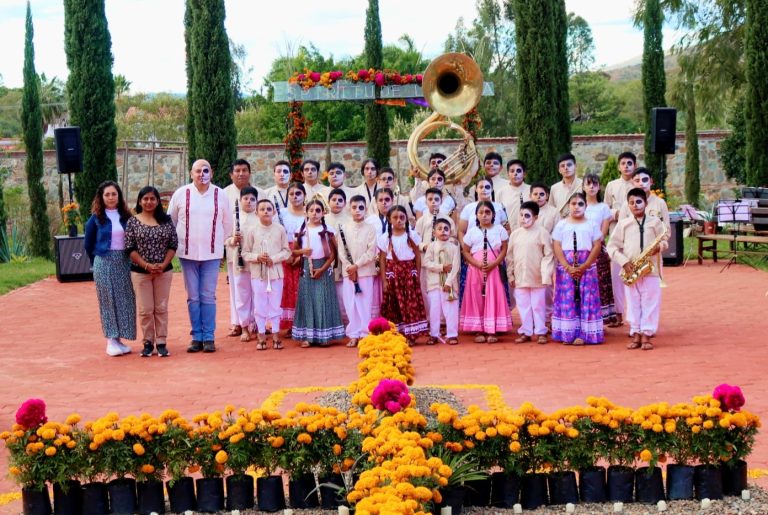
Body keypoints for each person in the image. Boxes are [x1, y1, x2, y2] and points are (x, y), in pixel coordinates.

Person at [167, 159, 233, 353]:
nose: (202, 174)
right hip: (187, 254)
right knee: (193, 296)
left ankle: (209, 336)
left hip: (211, 254)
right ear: (191, 173)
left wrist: (222, 246)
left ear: (211, 173)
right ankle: (196, 336)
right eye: (198, 171)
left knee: (208, 296)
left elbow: (227, 223)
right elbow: (171, 220)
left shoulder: (220, 194)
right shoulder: (181, 194)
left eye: (205, 171)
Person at [607, 188, 668, 351]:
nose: (635, 205)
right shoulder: (623, 224)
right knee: (633, 302)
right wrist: (624, 262)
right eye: (632, 202)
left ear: (646, 203)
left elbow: (664, 241)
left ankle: (647, 334)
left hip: (651, 269)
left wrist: (660, 247)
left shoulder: (655, 222)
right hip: (630, 269)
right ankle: (635, 333)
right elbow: (611, 246)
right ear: (628, 205)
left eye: (639, 202)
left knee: (650, 302)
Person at [84, 180, 136, 357]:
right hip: (104, 261)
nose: (111, 197)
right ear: (101, 197)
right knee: (108, 300)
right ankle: (110, 341)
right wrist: (97, 260)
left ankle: (119, 339)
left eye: (114, 194)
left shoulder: (127, 217)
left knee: (124, 299)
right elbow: (88, 244)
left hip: (124, 261)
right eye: (107, 194)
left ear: (119, 196)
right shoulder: (95, 219)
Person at [124, 186, 178, 357]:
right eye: (145, 199)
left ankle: (161, 342)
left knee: (161, 308)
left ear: (157, 201)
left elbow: (173, 244)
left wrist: (162, 264)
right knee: (145, 309)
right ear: (140, 201)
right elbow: (129, 248)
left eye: (152, 199)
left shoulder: (166, 220)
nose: (149, 202)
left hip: (163, 271)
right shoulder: (133, 221)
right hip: (140, 272)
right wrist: (146, 265)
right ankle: (148, 342)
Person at [551, 192, 604, 345]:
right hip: (567, 267)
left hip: (586, 266)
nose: (576, 207)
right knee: (568, 299)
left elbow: (596, 246)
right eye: (573, 204)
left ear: (585, 206)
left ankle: (584, 334)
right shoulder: (562, 224)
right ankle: (567, 333)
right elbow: (557, 245)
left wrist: (585, 265)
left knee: (585, 298)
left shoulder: (592, 224)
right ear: (568, 206)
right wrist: (567, 266)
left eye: (580, 204)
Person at [292, 198, 345, 347]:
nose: (314, 214)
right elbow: (294, 252)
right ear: (306, 212)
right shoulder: (301, 230)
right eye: (311, 210)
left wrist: (322, 269)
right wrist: (303, 251)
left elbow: (334, 253)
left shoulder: (328, 230)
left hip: (324, 267)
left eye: (318, 211)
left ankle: (324, 336)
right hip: (307, 268)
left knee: (322, 300)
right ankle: (308, 337)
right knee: (308, 301)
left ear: (323, 213)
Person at [459, 201, 512, 342]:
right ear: (476, 215)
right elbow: (465, 251)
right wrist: (476, 263)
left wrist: (495, 263)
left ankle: (492, 329)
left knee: (493, 295)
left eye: (487, 212)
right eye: (481, 213)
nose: (484, 216)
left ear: (493, 214)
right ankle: (478, 329)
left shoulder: (499, 229)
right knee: (477, 296)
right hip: (476, 269)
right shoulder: (472, 231)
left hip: (494, 269)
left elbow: (504, 249)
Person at [242, 199, 291, 350]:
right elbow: (245, 253)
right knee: (260, 304)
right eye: (262, 209)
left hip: (275, 272)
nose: (266, 212)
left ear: (274, 212)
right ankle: (261, 334)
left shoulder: (280, 229)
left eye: (269, 209)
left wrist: (274, 259)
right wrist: (257, 257)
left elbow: (287, 251)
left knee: (275, 304)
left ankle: (275, 333)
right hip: (258, 273)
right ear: (256, 212)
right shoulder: (252, 230)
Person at [378, 205, 428, 344]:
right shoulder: (384, 238)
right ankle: (396, 334)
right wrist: (384, 280)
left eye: (402, 217)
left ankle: (410, 335)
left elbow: (418, 256)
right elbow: (382, 259)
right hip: (392, 275)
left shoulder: (411, 236)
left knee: (409, 304)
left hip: (408, 274)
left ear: (406, 219)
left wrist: (416, 274)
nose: (399, 220)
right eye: (395, 217)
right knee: (394, 304)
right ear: (389, 219)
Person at [506, 201, 553, 344]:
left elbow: (548, 255)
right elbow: (510, 256)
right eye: (521, 215)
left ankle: (540, 331)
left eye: (527, 215)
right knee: (523, 305)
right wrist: (511, 274)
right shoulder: (515, 234)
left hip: (537, 276)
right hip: (520, 276)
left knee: (538, 305)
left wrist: (545, 274)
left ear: (536, 217)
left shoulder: (542, 233)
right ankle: (526, 331)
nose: (523, 219)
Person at [224, 159, 261, 338]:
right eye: (237, 170)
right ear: (231, 174)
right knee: (239, 291)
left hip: (257, 259)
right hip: (237, 257)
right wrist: (232, 240)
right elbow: (224, 235)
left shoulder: (260, 196)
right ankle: (241, 323)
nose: (241, 173)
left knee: (258, 291)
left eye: (244, 170)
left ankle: (257, 323)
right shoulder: (224, 194)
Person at [336, 195, 378, 348]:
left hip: (365, 271)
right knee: (350, 303)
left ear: (366, 209)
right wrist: (349, 266)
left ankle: (365, 334)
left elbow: (371, 252)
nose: (357, 210)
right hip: (349, 272)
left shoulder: (371, 229)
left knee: (364, 303)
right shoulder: (343, 228)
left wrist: (356, 266)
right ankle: (353, 334)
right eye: (354, 207)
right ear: (349, 209)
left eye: (361, 207)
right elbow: (341, 250)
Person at [603, 151, 637, 328]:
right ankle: (617, 313)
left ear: (635, 166)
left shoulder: (638, 184)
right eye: (623, 163)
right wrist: (616, 214)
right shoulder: (611, 185)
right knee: (616, 274)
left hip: (635, 234)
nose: (626, 166)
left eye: (629, 163)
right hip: (617, 231)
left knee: (635, 273)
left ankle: (636, 314)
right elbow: (605, 209)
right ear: (618, 167)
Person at [583, 173, 619, 325]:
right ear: (583, 187)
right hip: (581, 250)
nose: (592, 187)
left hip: (597, 248)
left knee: (600, 281)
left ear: (599, 187)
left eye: (595, 184)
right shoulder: (578, 205)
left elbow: (603, 231)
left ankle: (603, 316)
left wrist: (595, 244)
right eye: (589, 184)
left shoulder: (603, 207)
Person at [423, 218, 460, 345]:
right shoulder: (432, 247)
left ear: (450, 231)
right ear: (434, 233)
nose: (443, 231)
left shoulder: (454, 247)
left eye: (446, 229)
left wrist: (449, 282)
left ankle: (452, 334)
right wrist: (441, 267)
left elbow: (455, 266)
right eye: (439, 229)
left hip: (449, 285)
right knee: (434, 310)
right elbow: (426, 262)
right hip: (434, 284)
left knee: (451, 310)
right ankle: (434, 334)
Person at [279, 182, 308, 334]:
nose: (295, 197)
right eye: (291, 194)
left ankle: (302, 322)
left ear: (304, 195)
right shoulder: (282, 214)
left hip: (303, 254)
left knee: (302, 289)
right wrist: (287, 255)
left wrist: (300, 256)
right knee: (287, 289)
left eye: (298, 193)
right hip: (286, 255)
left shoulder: (309, 213)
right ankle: (290, 325)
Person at [365, 188, 395, 318]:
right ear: (376, 203)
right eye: (380, 200)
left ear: (392, 201)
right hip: (374, 263)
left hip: (394, 263)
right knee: (375, 293)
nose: (384, 203)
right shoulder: (369, 221)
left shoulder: (398, 217)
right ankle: (376, 322)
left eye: (387, 200)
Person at [326, 188, 351, 324]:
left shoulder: (350, 220)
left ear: (345, 203)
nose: (337, 202)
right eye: (334, 200)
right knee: (329, 293)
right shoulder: (323, 219)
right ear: (328, 202)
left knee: (343, 295)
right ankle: (331, 323)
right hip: (327, 261)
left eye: (340, 200)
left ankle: (346, 322)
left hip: (344, 262)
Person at [618, 168, 671, 233]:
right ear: (632, 183)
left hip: (655, 241)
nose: (641, 183)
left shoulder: (660, 203)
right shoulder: (626, 204)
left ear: (651, 181)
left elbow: (667, 230)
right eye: (637, 180)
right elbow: (620, 229)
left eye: (645, 180)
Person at [497, 159, 532, 232]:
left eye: (518, 171)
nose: (515, 173)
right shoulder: (501, 192)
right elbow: (498, 215)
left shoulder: (532, 190)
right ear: (508, 174)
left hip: (530, 231)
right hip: (509, 233)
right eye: (512, 171)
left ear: (524, 174)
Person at [549, 153, 583, 218]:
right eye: (562, 166)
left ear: (575, 166)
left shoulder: (584, 185)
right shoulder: (554, 188)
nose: (566, 168)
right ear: (559, 170)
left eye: (569, 165)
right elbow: (551, 210)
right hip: (561, 224)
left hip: (580, 223)